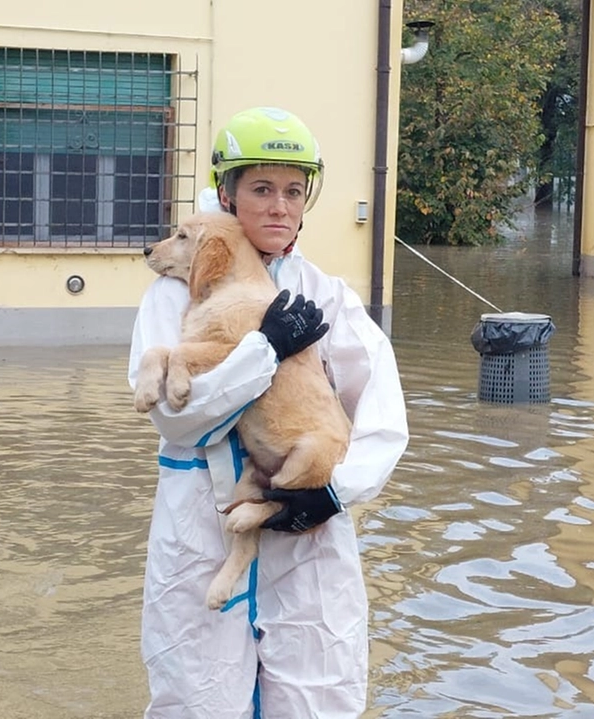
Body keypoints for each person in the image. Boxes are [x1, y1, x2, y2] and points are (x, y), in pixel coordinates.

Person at [127, 106, 409, 717]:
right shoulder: (173, 294)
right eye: (261, 189)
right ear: (227, 195)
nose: (280, 207)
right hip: (202, 526)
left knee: (317, 698)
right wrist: (264, 349)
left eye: (293, 191)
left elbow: (383, 421)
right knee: (196, 698)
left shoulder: (328, 295)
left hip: (308, 535)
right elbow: (178, 418)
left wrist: (334, 493)